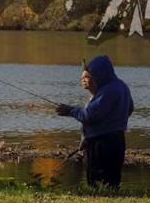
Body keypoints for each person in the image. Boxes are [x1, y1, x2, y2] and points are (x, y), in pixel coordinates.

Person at [55, 55, 133, 188]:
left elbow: (89, 116)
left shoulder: (107, 91)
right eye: (82, 77)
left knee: (97, 180)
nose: (83, 80)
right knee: (112, 180)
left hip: (101, 144)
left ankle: (100, 200)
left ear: (99, 76)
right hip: (118, 140)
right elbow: (130, 108)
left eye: (88, 77)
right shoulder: (120, 86)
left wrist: (70, 110)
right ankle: (111, 198)